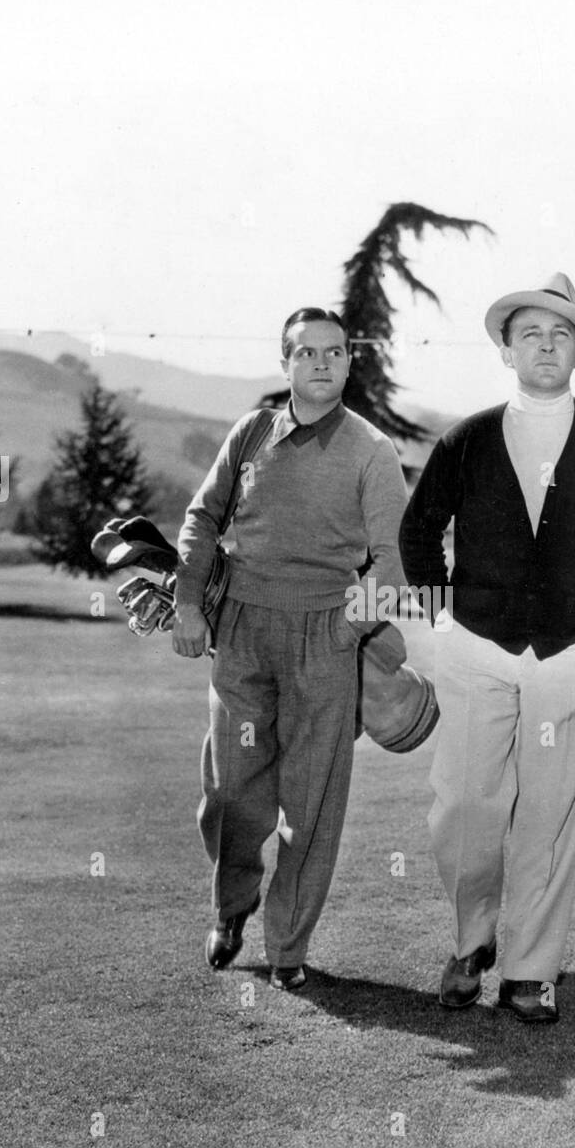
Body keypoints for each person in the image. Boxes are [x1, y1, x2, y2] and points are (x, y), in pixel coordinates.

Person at [399, 274, 575, 1022]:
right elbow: (419, 533)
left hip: (572, 653)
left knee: (551, 812)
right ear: (506, 349)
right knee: (460, 808)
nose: (545, 347)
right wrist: (444, 620)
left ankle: (528, 971)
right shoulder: (469, 437)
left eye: (560, 336)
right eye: (530, 335)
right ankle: (468, 942)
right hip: (475, 647)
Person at [173, 308, 408, 989]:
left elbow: (395, 562)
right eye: (306, 352)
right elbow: (202, 516)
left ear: (347, 363)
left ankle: (286, 948)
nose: (321, 363)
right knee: (229, 791)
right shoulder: (251, 431)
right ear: (284, 364)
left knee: (312, 802)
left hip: (323, 638)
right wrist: (189, 603)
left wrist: (341, 632)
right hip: (241, 631)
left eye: (335, 352)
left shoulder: (370, 450)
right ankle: (232, 903)